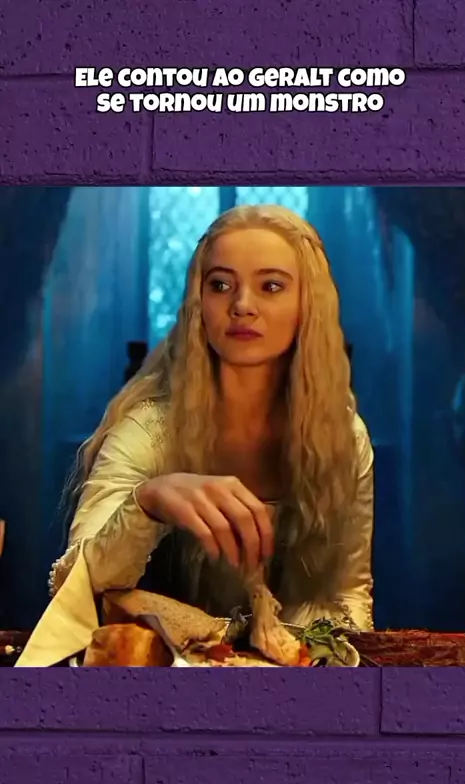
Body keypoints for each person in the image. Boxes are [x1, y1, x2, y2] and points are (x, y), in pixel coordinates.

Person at [17, 204, 374, 667]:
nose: (242, 304)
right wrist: (149, 502)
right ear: (197, 305)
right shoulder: (151, 429)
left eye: (271, 286)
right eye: (220, 285)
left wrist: (325, 669)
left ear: (309, 304)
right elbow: (75, 586)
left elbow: (348, 596)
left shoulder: (344, 437)